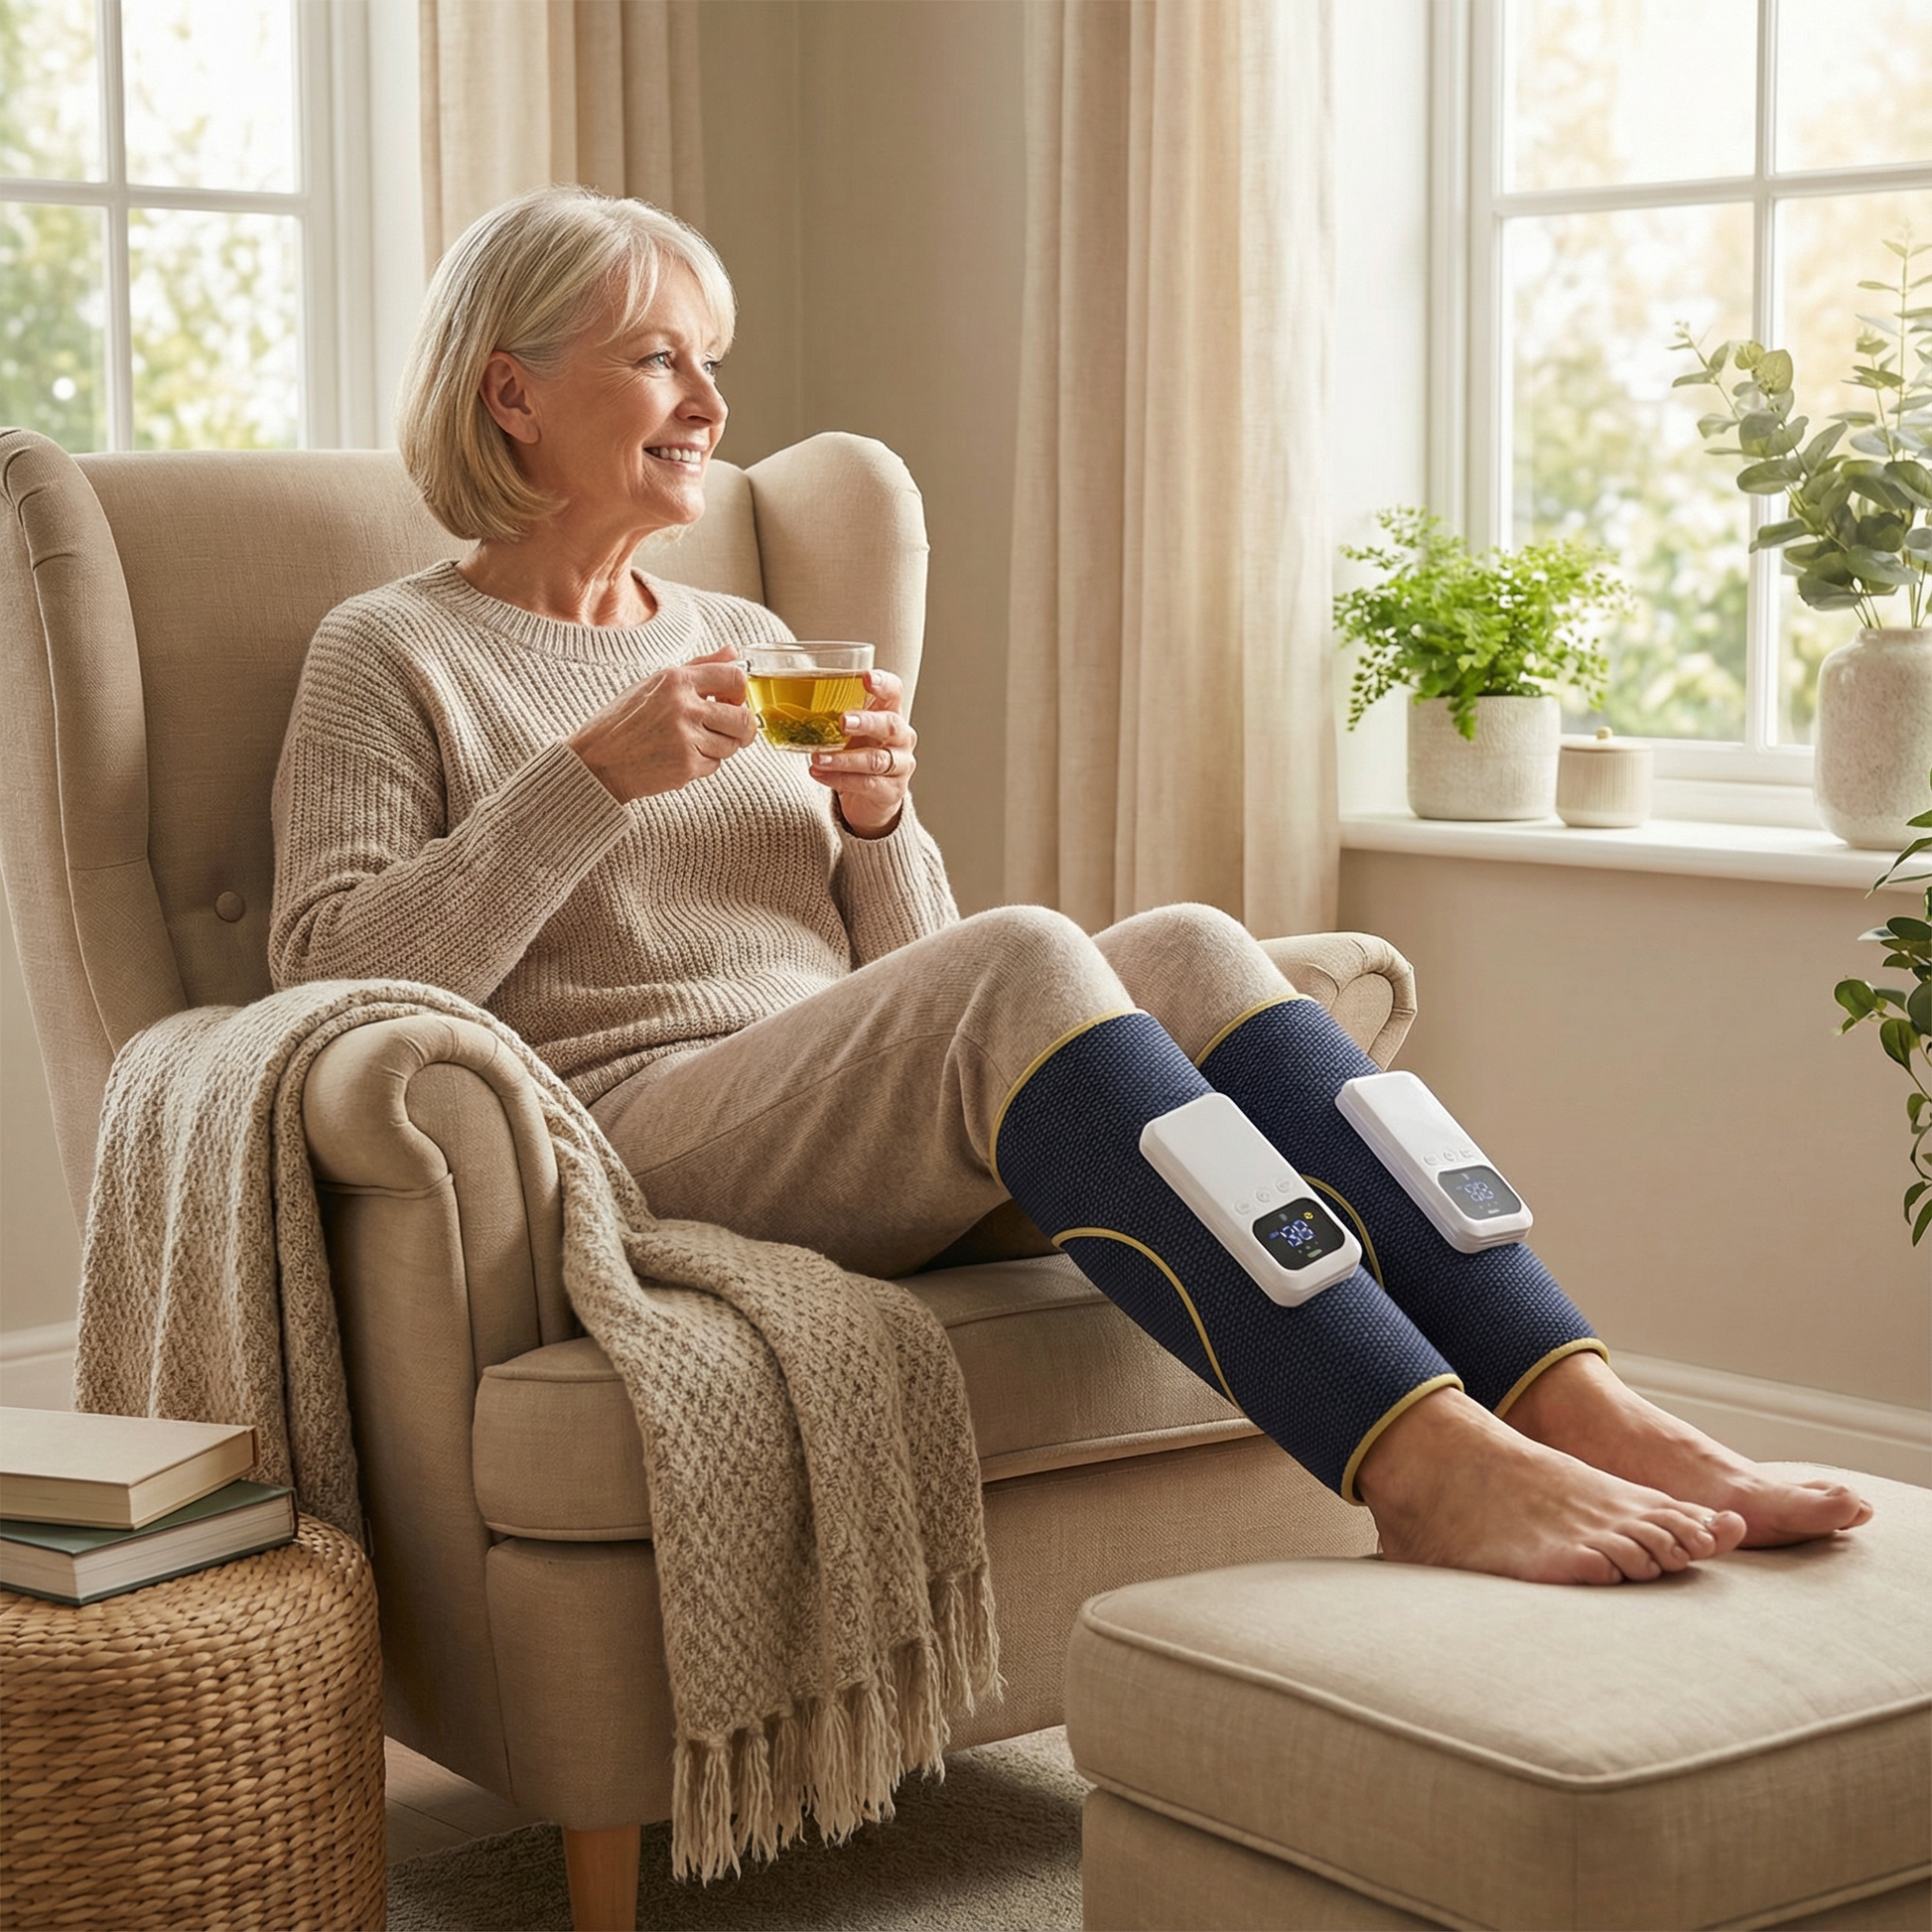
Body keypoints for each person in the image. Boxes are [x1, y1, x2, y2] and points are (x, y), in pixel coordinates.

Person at [269, 185, 1869, 1589]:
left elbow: (919, 966)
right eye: (658, 357)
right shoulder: (388, 651)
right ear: (512, 392)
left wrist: (881, 822)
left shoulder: (746, 644)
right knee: (1038, 950)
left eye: (711, 359)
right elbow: (324, 980)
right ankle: (1422, 1460)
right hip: (631, 1135)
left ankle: (1578, 1397)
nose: (706, 398)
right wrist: (582, 780)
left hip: (843, 1106)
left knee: (1185, 942)